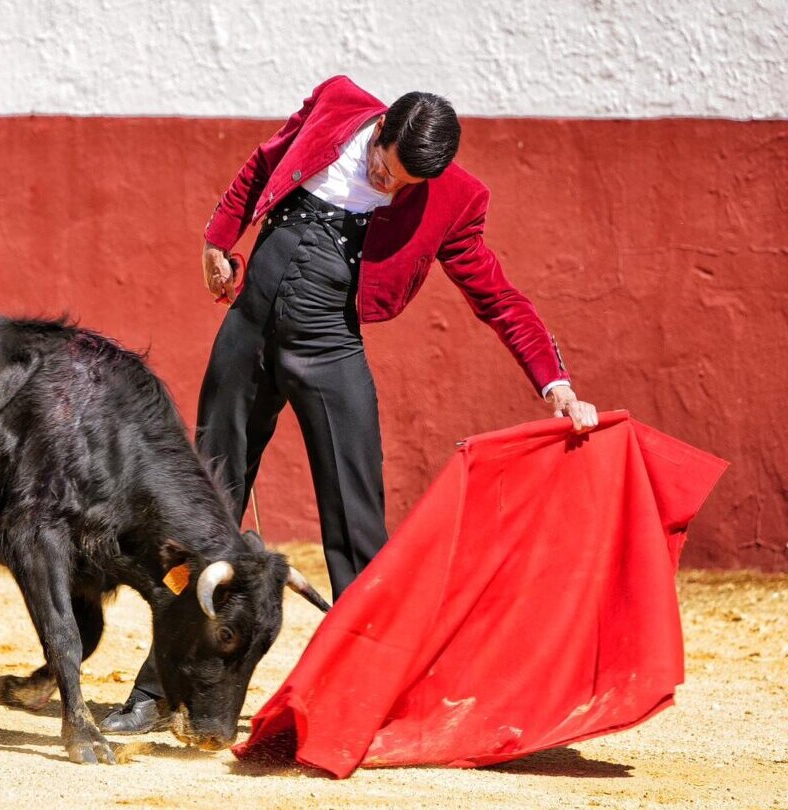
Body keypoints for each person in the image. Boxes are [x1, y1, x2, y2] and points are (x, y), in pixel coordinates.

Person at [100, 76, 599, 735]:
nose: (389, 187)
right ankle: (159, 691)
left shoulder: (455, 197)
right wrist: (220, 240)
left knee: (358, 532)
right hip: (247, 334)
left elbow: (497, 296)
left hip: (329, 346)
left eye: (405, 184)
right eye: (382, 168)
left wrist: (553, 380)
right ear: (380, 127)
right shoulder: (335, 103)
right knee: (201, 518)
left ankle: (377, 698)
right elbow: (263, 160)